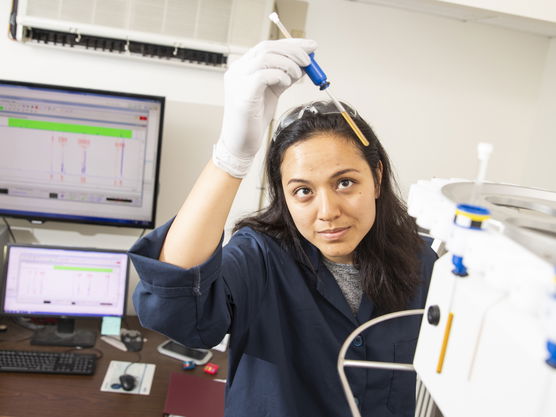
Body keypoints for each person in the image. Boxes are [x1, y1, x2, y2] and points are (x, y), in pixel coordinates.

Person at [129, 38, 437, 417]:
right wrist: (232, 156)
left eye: (344, 182)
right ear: (285, 197)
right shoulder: (260, 255)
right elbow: (172, 306)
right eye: (303, 191)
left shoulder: (424, 261)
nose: (328, 212)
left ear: (375, 177)